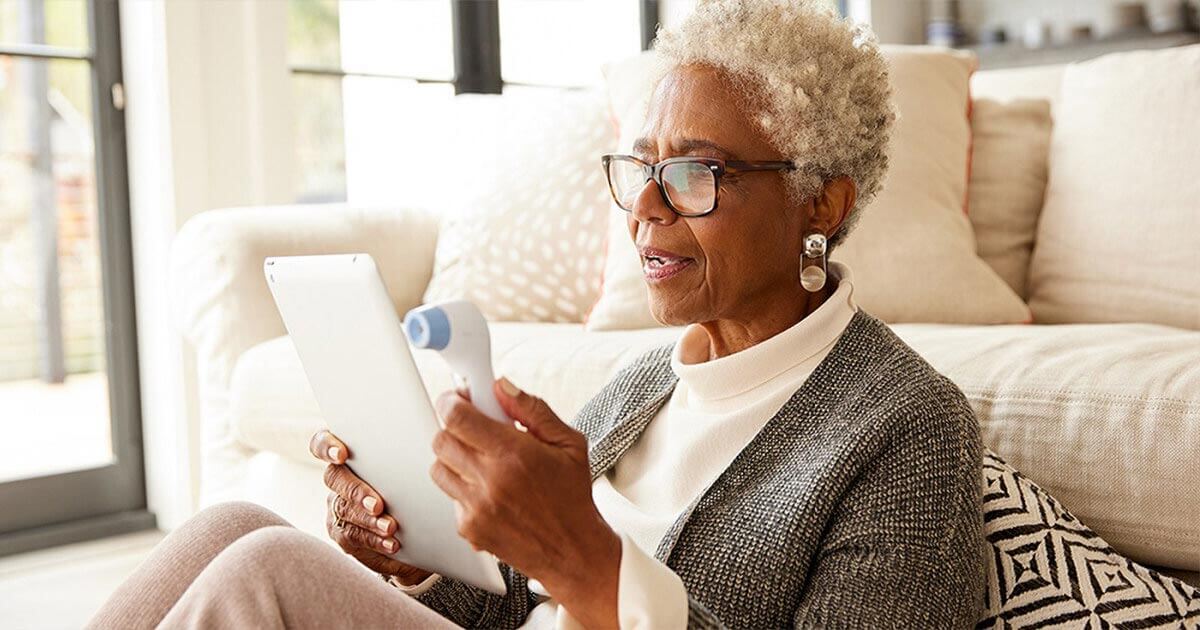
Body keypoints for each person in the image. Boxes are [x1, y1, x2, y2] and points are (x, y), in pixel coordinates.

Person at [90, 1, 986, 628]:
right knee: (232, 527)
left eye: (696, 173)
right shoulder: (646, 387)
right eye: (642, 167)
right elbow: (507, 602)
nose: (645, 207)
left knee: (264, 574)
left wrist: (585, 560)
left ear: (820, 205)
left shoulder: (906, 430)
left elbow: (571, 576)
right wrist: (409, 555)